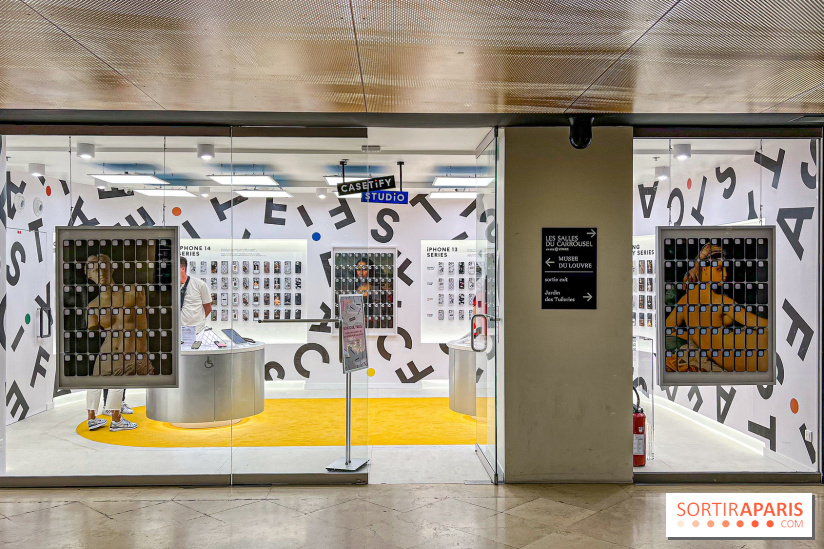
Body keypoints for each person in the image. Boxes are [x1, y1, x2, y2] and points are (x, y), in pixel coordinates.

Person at [665, 243, 768, 373]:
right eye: (719, 269)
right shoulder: (720, 301)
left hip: (737, 352)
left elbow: (668, 328)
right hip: (741, 352)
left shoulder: (684, 301)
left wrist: (695, 337)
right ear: (704, 269)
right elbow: (760, 323)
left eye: (725, 269)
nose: (725, 274)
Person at [85, 253, 147, 431]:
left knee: (112, 382)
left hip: (127, 347)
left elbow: (142, 325)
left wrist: (142, 353)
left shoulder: (134, 291)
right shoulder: (92, 306)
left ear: (112, 268)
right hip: (108, 349)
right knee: (96, 382)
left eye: (104, 267)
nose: (101, 273)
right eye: (95, 270)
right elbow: (93, 328)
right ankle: (105, 420)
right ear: (89, 276)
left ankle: (114, 418)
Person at [180, 256, 212, 332]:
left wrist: (197, 321)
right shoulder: (171, 287)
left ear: (183, 269)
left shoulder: (200, 285)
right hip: (176, 331)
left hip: (196, 331)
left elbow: (208, 308)